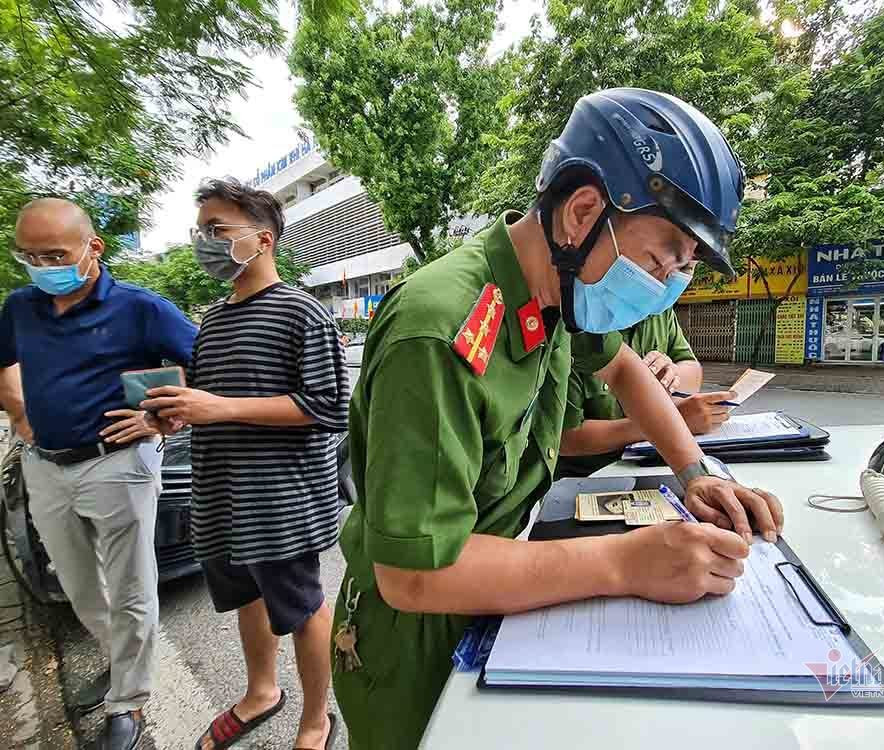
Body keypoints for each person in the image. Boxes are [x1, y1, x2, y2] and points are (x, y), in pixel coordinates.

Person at [332, 88, 784, 749]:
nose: (659, 289)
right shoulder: (439, 330)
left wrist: (696, 474)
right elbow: (413, 576)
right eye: (658, 260)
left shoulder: (557, 292)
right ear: (581, 212)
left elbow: (626, 371)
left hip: (507, 585)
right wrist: (630, 564)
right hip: (417, 646)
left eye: (678, 274)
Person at [141, 179, 349, 750]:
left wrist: (219, 405)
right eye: (200, 231)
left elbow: (329, 406)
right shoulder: (211, 320)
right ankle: (262, 691)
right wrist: (176, 414)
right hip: (221, 495)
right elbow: (213, 403)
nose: (205, 243)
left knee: (302, 608)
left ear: (262, 238)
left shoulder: (302, 312)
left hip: (281, 501)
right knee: (245, 597)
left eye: (217, 231)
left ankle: (316, 719)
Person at [0, 198, 197, 750]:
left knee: (133, 587)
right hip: (45, 467)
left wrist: (157, 417)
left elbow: (203, 364)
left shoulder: (140, 308)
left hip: (117, 463)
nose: (42, 266)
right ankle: (119, 661)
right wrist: (18, 411)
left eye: (55, 254)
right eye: (30, 256)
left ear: (94, 249)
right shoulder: (19, 307)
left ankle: (128, 699)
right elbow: (4, 361)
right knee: (79, 585)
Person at [557, 291, 738, 478]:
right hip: (585, 476)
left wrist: (673, 374)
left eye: (685, 267)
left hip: (655, 462)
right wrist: (673, 421)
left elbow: (692, 370)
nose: (670, 277)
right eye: (660, 262)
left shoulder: (660, 311)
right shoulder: (582, 319)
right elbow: (565, 438)